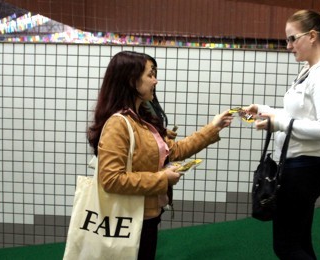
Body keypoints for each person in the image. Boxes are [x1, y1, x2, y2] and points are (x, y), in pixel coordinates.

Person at [87, 51, 234, 260]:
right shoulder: (118, 124)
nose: (155, 80)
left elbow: (175, 151)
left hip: (147, 214)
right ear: (132, 81)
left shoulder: (141, 120)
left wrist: (213, 127)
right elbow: (111, 179)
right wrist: (162, 179)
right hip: (129, 218)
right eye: (150, 75)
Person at [243, 7, 320, 260]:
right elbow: (301, 115)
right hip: (300, 166)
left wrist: (278, 123)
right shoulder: (310, 70)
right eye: (287, 39)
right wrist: (265, 110)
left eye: (293, 38)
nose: (288, 45)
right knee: (299, 241)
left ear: (312, 36)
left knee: (286, 247)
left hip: (304, 169)